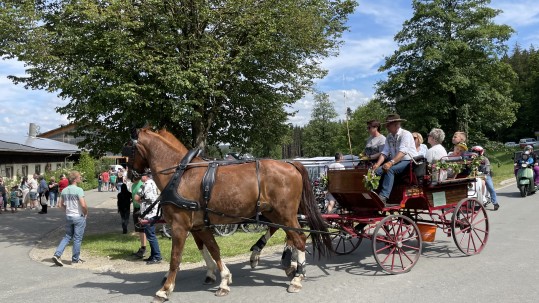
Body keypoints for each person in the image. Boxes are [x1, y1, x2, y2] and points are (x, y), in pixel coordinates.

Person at [372, 114, 418, 204]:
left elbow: (403, 152)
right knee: (376, 171)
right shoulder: (389, 137)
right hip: (397, 161)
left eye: (389, 124)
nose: (386, 127)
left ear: (396, 124)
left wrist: (390, 163)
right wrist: (377, 165)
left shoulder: (406, 134)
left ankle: (384, 196)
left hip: (409, 161)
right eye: (386, 124)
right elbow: (384, 152)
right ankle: (374, 194)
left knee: (390, 170)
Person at [52, 171, 88, 266]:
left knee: (67, 236)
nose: (81, 178)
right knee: (77, 238)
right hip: (78, 216)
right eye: (79, 176)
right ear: (75, 179)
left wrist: (67, 210)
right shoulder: (79, 190)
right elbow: (83, 205)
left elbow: (59, 205)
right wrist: (85, 213)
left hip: (69, 216)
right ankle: (75, 259)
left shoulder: (64, 190)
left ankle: (57, 254)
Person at [135, 169, 162, 265]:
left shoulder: (145, 185)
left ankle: (157, 256)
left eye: (141, 175)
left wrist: (142, 202)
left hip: (148, 213)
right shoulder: (154, 183)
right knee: (151, 235)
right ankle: (153, 255)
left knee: (151, 236)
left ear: (145, 176)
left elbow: (136, 198)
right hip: (154, 212)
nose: (140, 177)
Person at [471, 146, 500, 211]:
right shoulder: (470, 159)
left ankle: (495, 203)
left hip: (485, 175)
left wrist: (485, 171)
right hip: (474, 176)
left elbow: (487, 167)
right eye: (473, 152)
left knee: (491, 188)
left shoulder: (485, 159)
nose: (474, 153)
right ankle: (478, 203)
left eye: (476, 152)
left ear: (480, 152)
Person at [131, 176, 147, 259]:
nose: (133, 179)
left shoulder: (142, 184)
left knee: (142, 229)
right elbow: (133, 196)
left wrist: (140, 202)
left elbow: (145, 197)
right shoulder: (133, 185)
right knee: (139, 229)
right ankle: (142, 247)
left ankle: (144, 248)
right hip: (135, 208)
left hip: (141, 209)